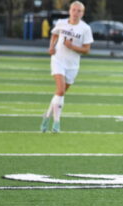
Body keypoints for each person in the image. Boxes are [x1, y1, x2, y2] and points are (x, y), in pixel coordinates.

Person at [40, 1, 93, 133]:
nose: (76, 13)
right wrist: (51, 47)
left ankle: (47, 116)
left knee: (59, 93)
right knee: (61, 90)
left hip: (72, 65)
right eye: (74, 10)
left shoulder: (85, 28)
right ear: (69, 11)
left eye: (79, 11)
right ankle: (57, 123)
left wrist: (72, 47)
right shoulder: (61, 23)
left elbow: (86, 50)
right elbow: (55, 34)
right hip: (58, 60)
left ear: (83, 13)